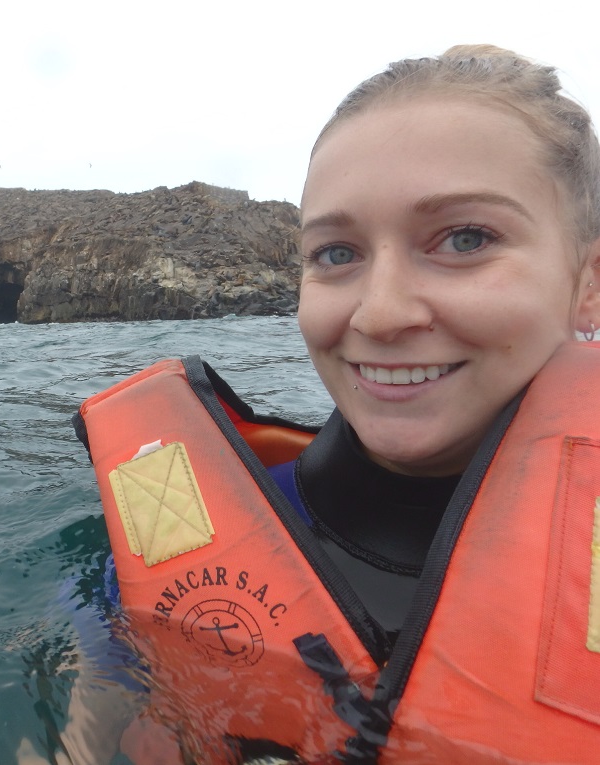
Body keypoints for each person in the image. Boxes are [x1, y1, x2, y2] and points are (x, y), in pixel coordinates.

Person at [46, 45, 600, 765]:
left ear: (588, 281)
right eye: (336, 254)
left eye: (465, 239)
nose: (381, 313)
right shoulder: (146, 563)